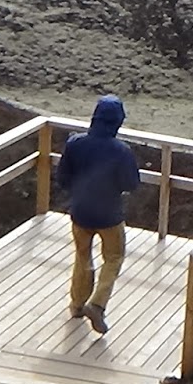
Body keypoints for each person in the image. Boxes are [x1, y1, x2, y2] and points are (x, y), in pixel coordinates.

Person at [55, 94, 141, 334]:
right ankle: (97, 304)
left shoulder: (75, 143)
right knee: (113, 258)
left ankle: (77, 304)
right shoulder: (121, 151)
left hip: (80, 211)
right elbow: (131, 183)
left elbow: (62, 178)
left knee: (83, 256)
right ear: (118, 122)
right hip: (109, 215)